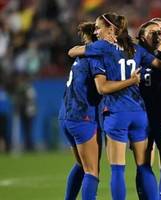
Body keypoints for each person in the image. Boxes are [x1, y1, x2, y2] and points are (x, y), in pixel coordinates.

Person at [68, 13, 161, 200]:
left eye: (99, 28)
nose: (96, 31)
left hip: (117, 112)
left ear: (111, 30)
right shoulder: (134, 48)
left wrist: (90, 47)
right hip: (139, 113)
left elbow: (72, 52)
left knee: (117, 169)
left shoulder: (102, 47)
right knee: (144, 165)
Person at [59, 21, 139, 200]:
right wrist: (132, 81)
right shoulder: (98, 56)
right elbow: (103, 87)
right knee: (92, 171)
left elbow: (72, 51)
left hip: (66, 116)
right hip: (83, 116)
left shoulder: (84, 54)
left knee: (81, 165)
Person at [137, 19, 161, 200]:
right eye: (153, 31)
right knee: (143, 163)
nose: (158, 34)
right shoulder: (137, 57)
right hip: (143, 117)